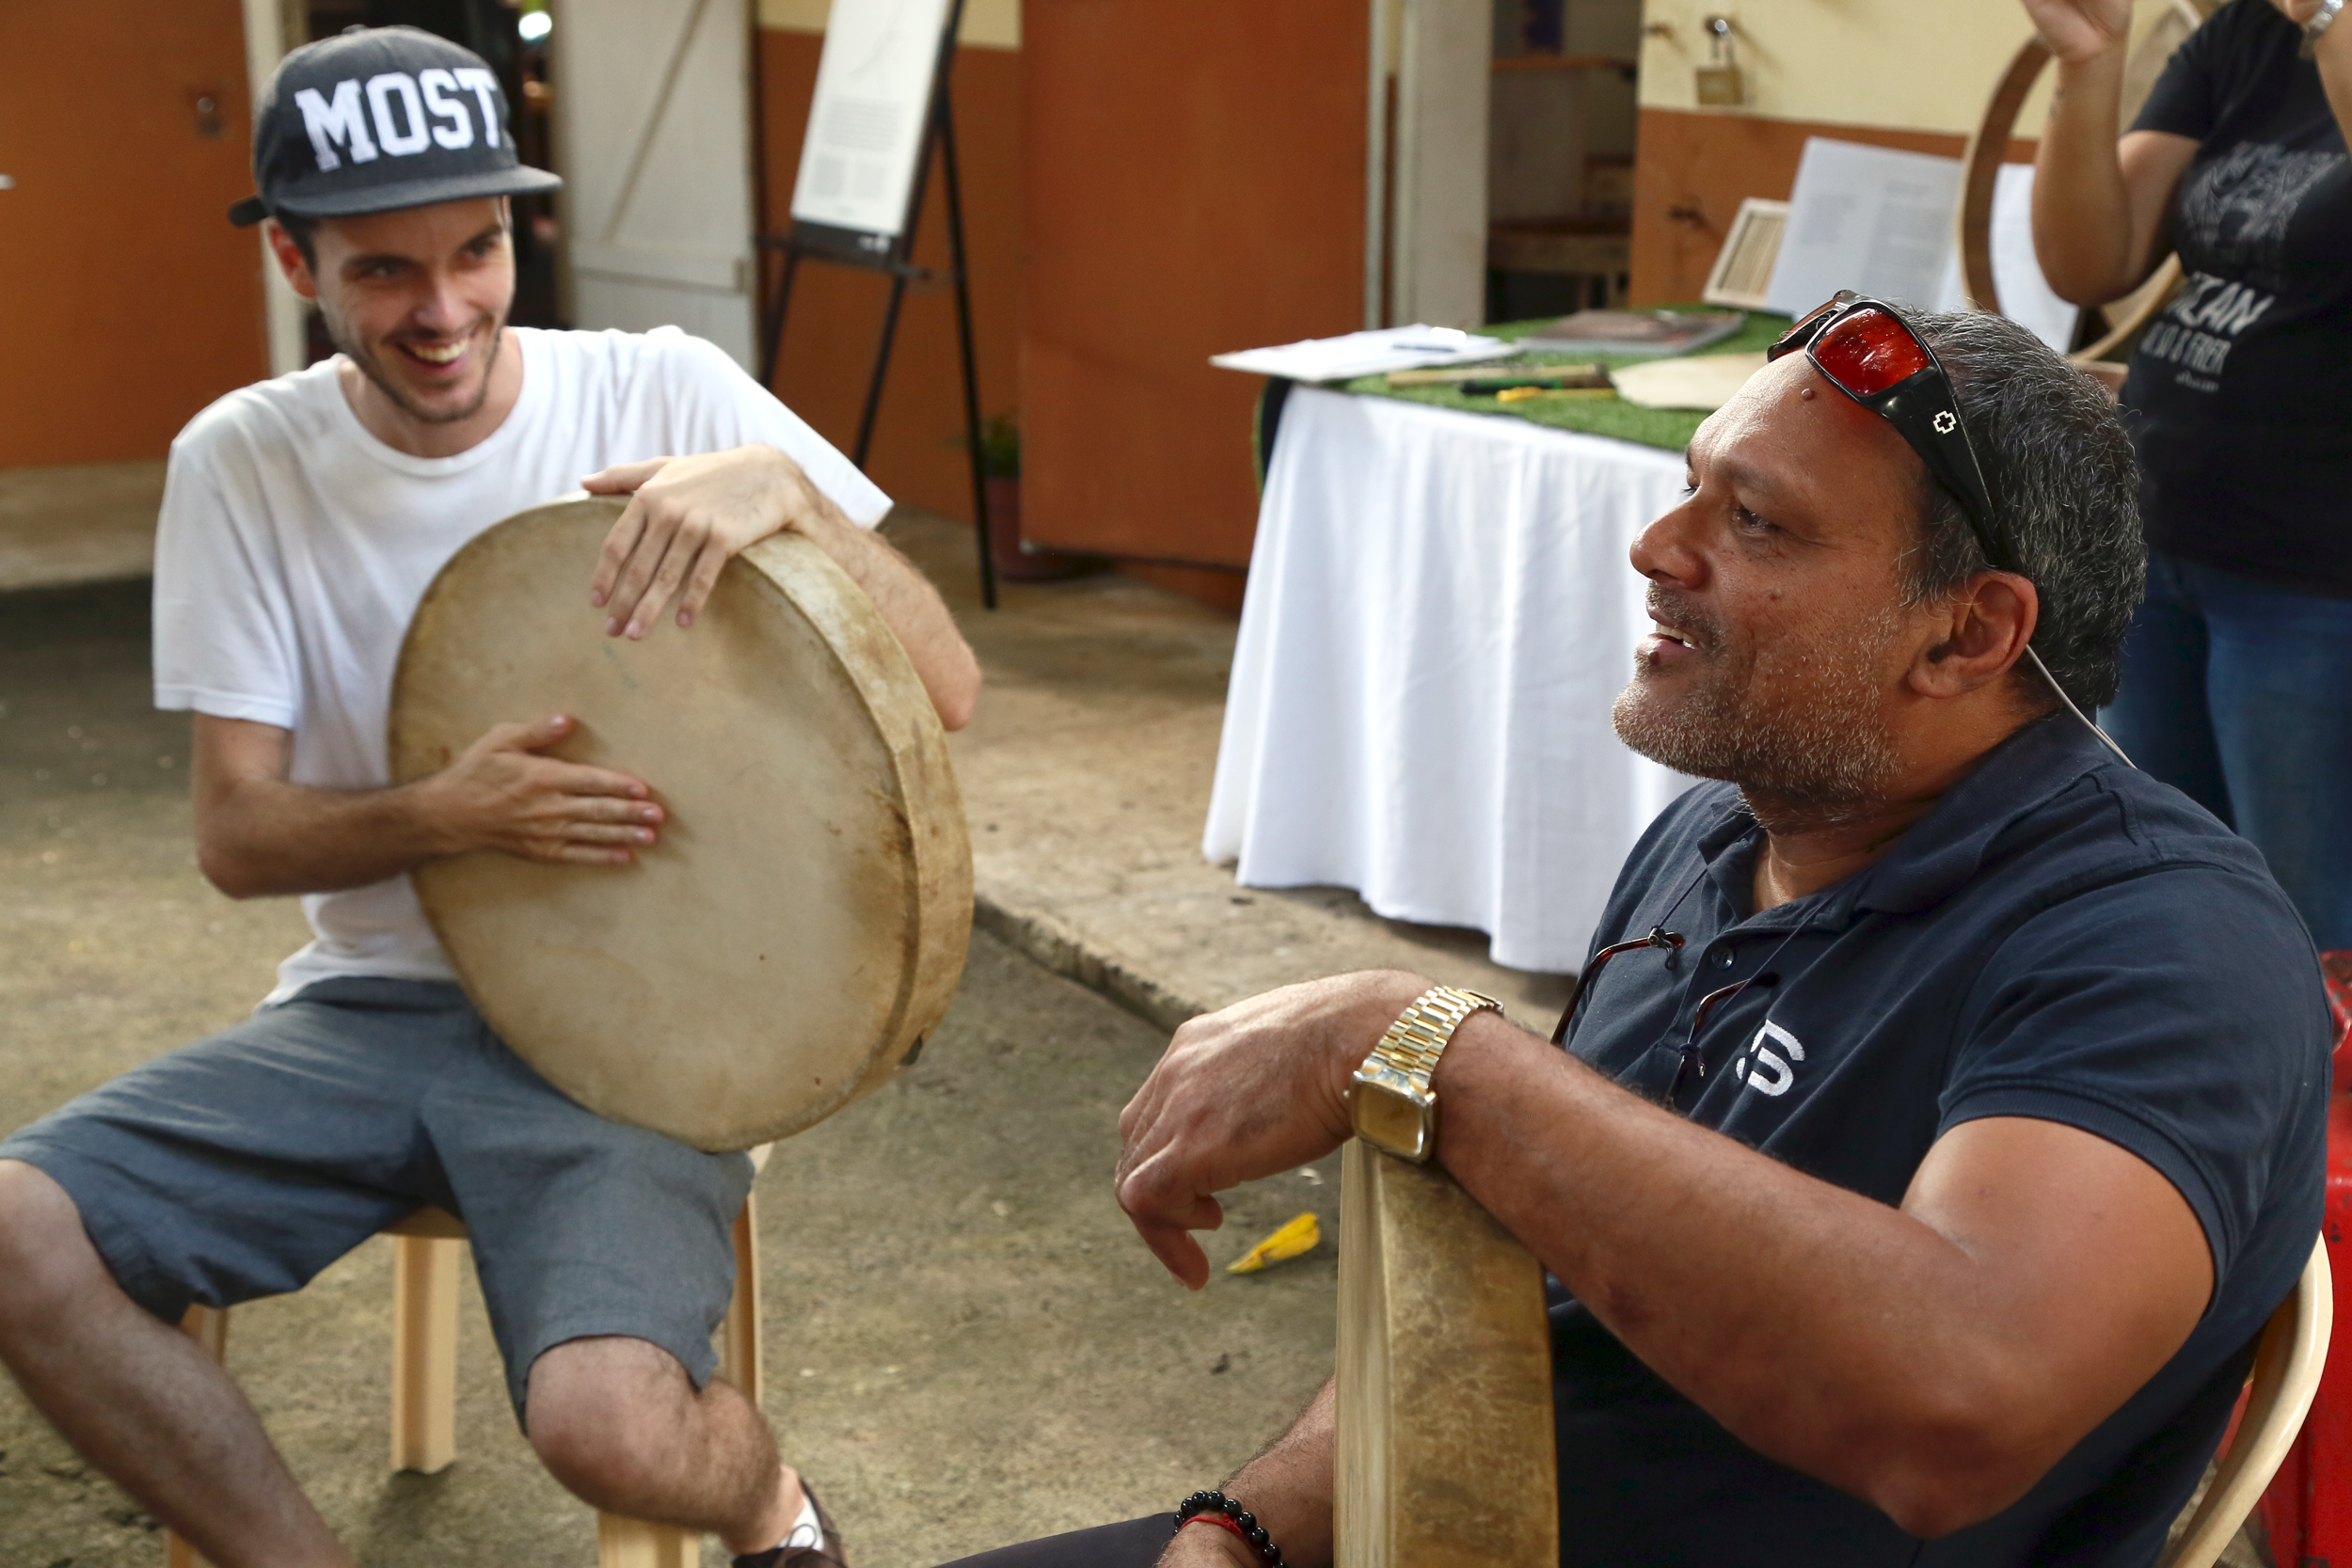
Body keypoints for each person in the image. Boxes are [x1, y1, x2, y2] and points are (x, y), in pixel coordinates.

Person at [937, 303, 2329, 1568]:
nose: (1657, 549)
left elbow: (1956, 1404)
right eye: (1687, 491)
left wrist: (1424, 1046)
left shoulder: (2159, 940)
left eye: (1757, 523)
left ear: (1968, 634)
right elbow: (1487, 1285)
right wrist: (1244, 1535)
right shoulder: (1716, 840)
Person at [0, 26, 977, 1568]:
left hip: (639, 1039)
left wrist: (788, 496)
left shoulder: (661, 386)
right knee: (15, 1228)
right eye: (385, 270)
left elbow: (945, 687)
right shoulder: (243, 462)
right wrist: (448, 812)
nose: (445, 309)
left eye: (476, 248)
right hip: (364, 1011)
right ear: (294, 260)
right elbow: (235, 836)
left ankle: (774, 1508)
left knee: (609, 1425)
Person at [2025, 0, 2352, 952]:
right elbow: (2090, 261)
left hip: (2315, 577)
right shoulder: (2246, 38)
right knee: (2159, 888)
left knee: (2308, 931)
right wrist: (2088, 66)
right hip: (2161, 538)